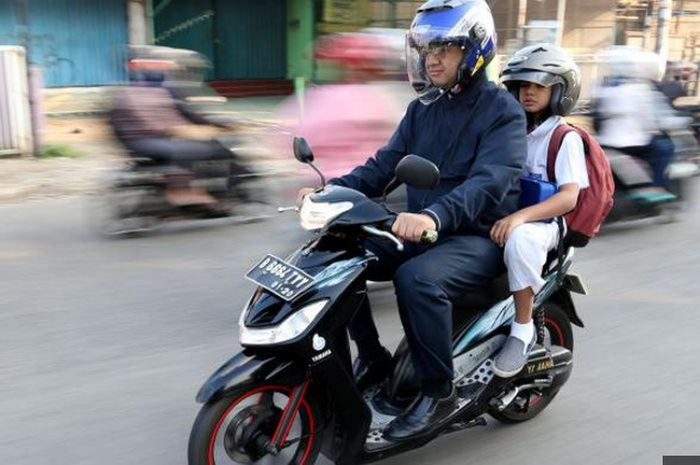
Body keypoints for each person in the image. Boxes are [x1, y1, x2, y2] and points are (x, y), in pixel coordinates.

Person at [297, 0, 526, 440]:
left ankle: (438, 389)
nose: (432, 58)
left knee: (417, 279)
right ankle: (372, 359)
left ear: (475, 50)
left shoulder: (502, 111)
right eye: (426, 48)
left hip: (477, 235)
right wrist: (329, 192)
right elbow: (384, 164)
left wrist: (433, 214)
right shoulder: (424, 108)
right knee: (339, 254)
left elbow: (489, 183)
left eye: (446, 48)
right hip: (422, 225)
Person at [494, 44, 589, 377]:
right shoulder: (513, 129)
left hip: (547, 223)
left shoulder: (565, 137)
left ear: (559, 90)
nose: (528, 92)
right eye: (523, 85)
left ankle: (522, 330)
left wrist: (520, 217)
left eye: (539, 85)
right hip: (511, 212)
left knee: (520, 239)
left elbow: (568, 198)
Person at [110, 59, 246, 208]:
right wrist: (218, 125)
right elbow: (188, 114)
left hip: (137, 141)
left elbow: (185, 115)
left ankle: (193, 191)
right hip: (148, 140)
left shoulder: (129, 92)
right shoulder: (161, 90)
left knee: (207, 146)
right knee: (204, 149)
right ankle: (180, 191)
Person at [594, 47, 688, 202]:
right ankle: (655, 186)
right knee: (665, 148)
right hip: (632, 141)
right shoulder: (640, 87)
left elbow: (596, 114)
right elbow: (649, 121)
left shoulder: (603, 86)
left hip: (605, 140)